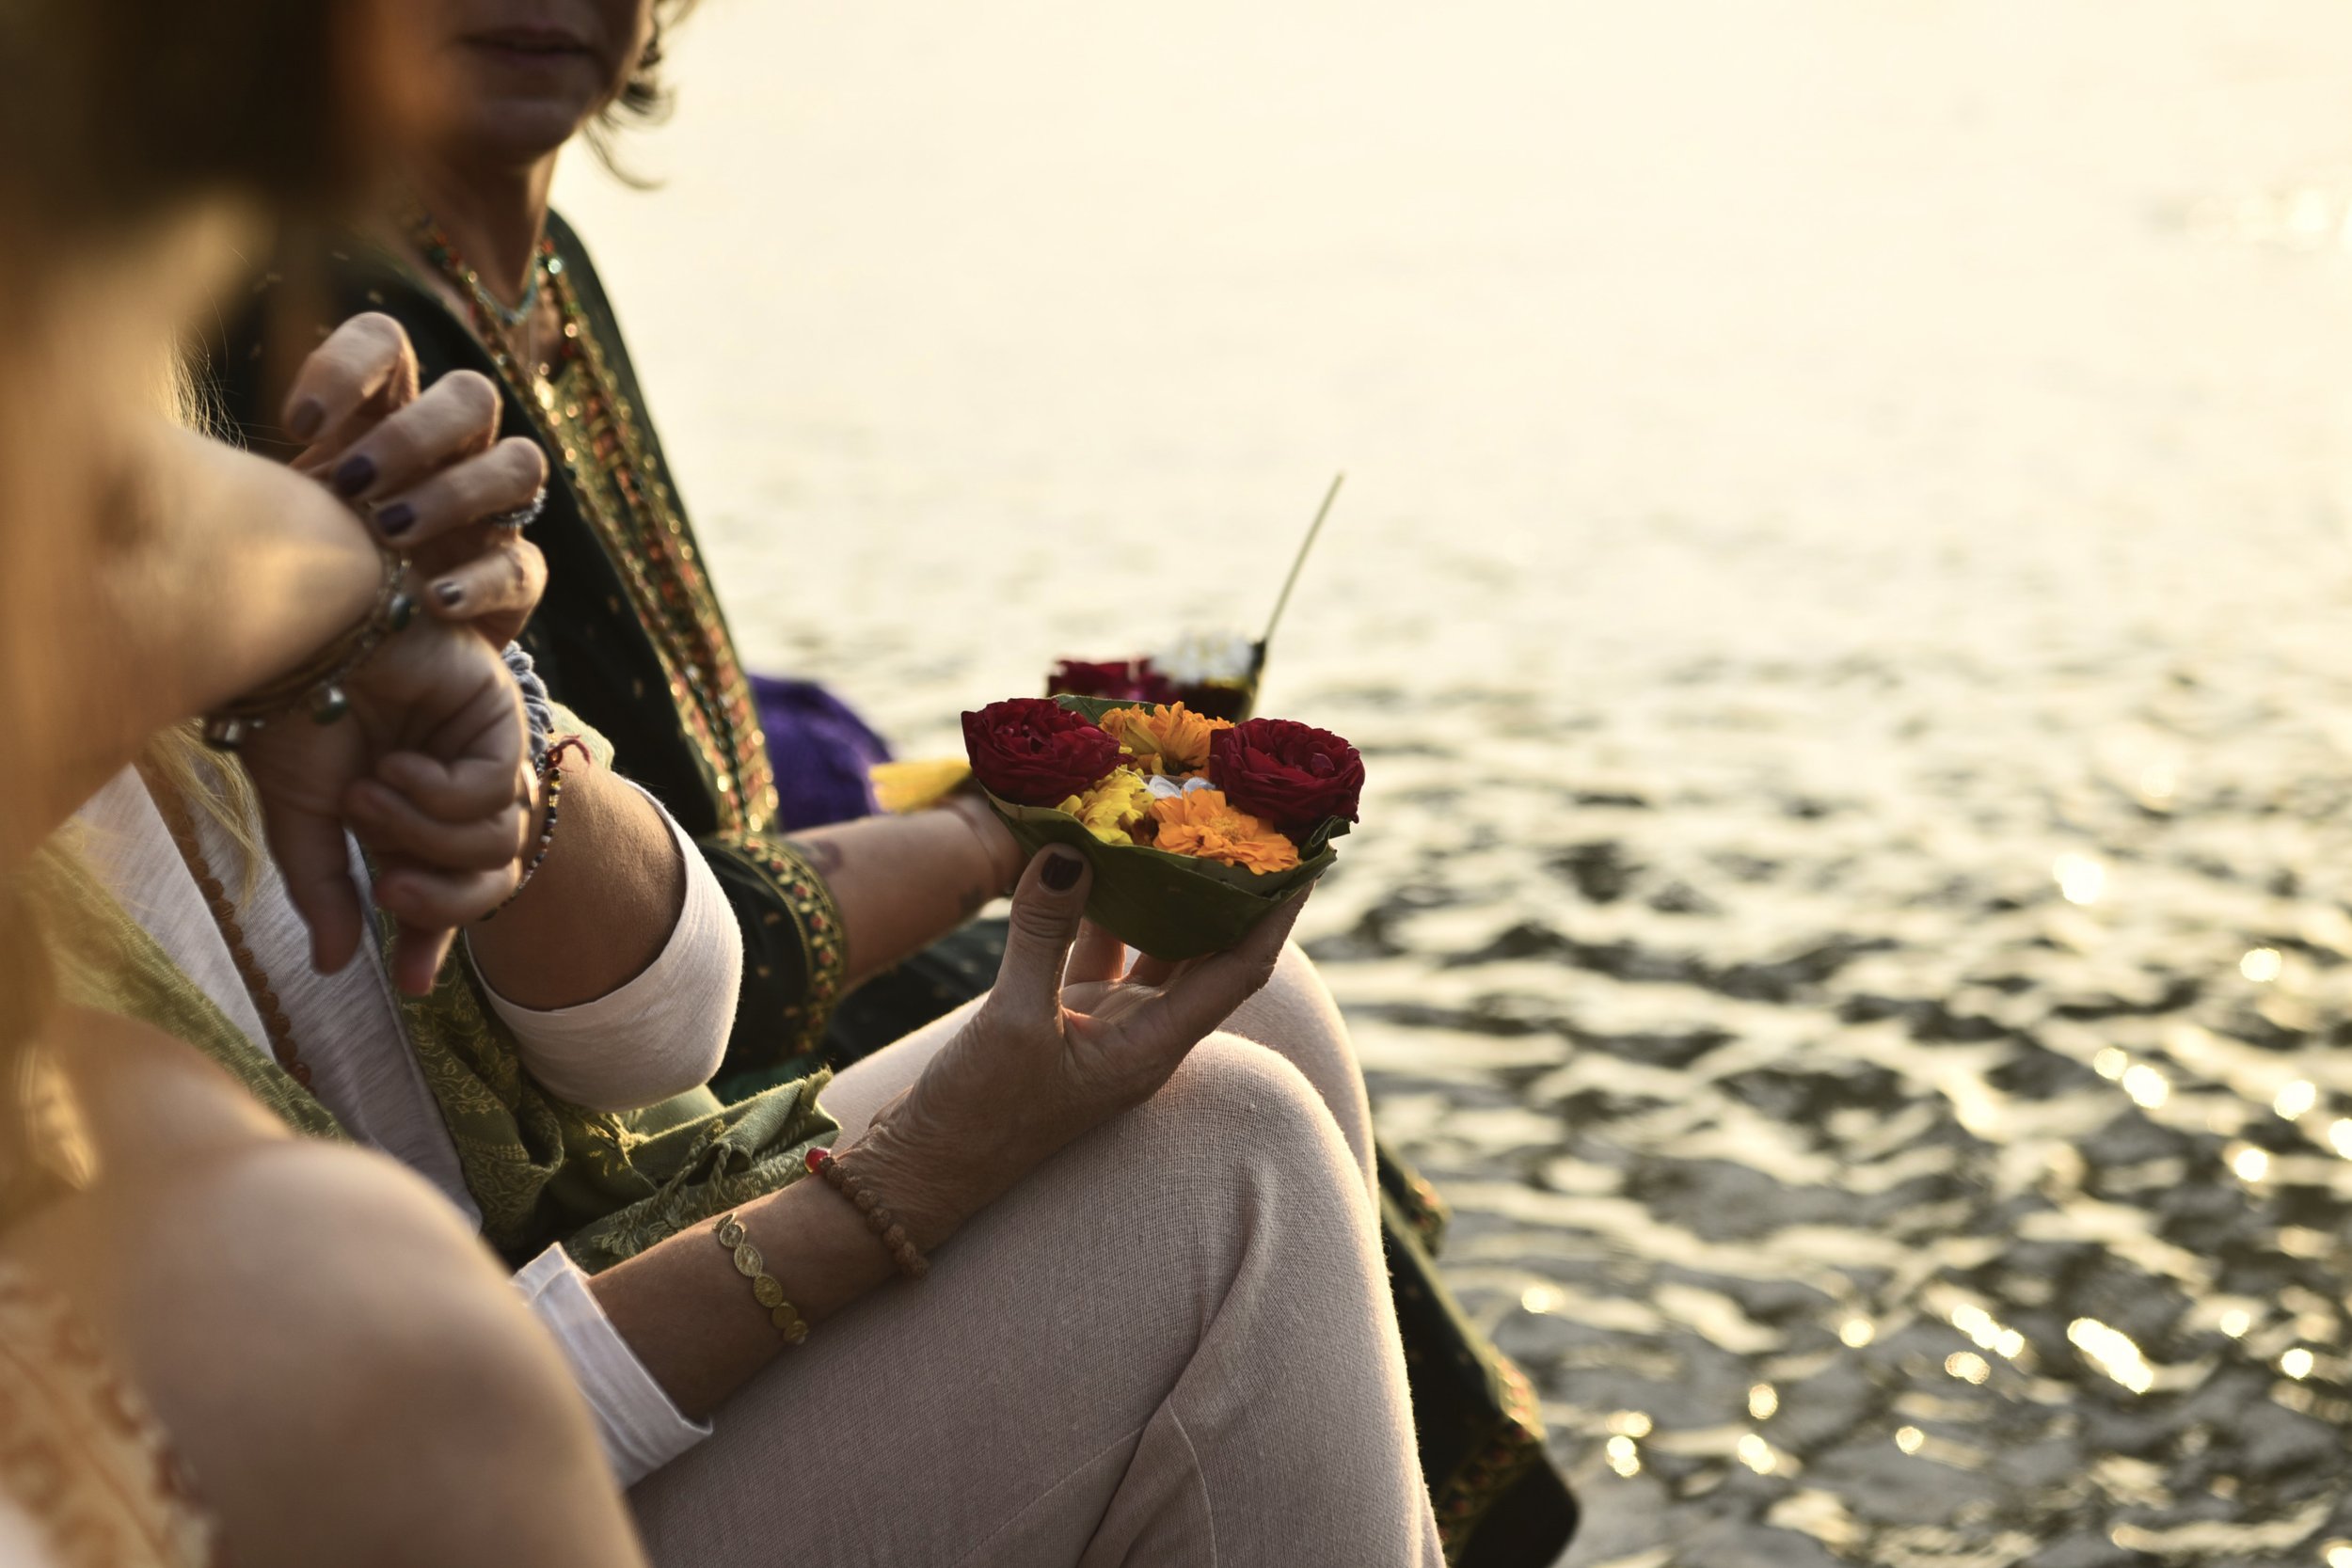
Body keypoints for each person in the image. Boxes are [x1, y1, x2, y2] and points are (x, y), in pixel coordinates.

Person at [206, 2, 1578, 1557]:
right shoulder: (313, 328)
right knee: (1228, 1137)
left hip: (606, 1092)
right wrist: (997, 903)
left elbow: (648, 959)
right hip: (466, 1355)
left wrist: (513, 752)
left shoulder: (523, 292)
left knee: (1258, 1013)